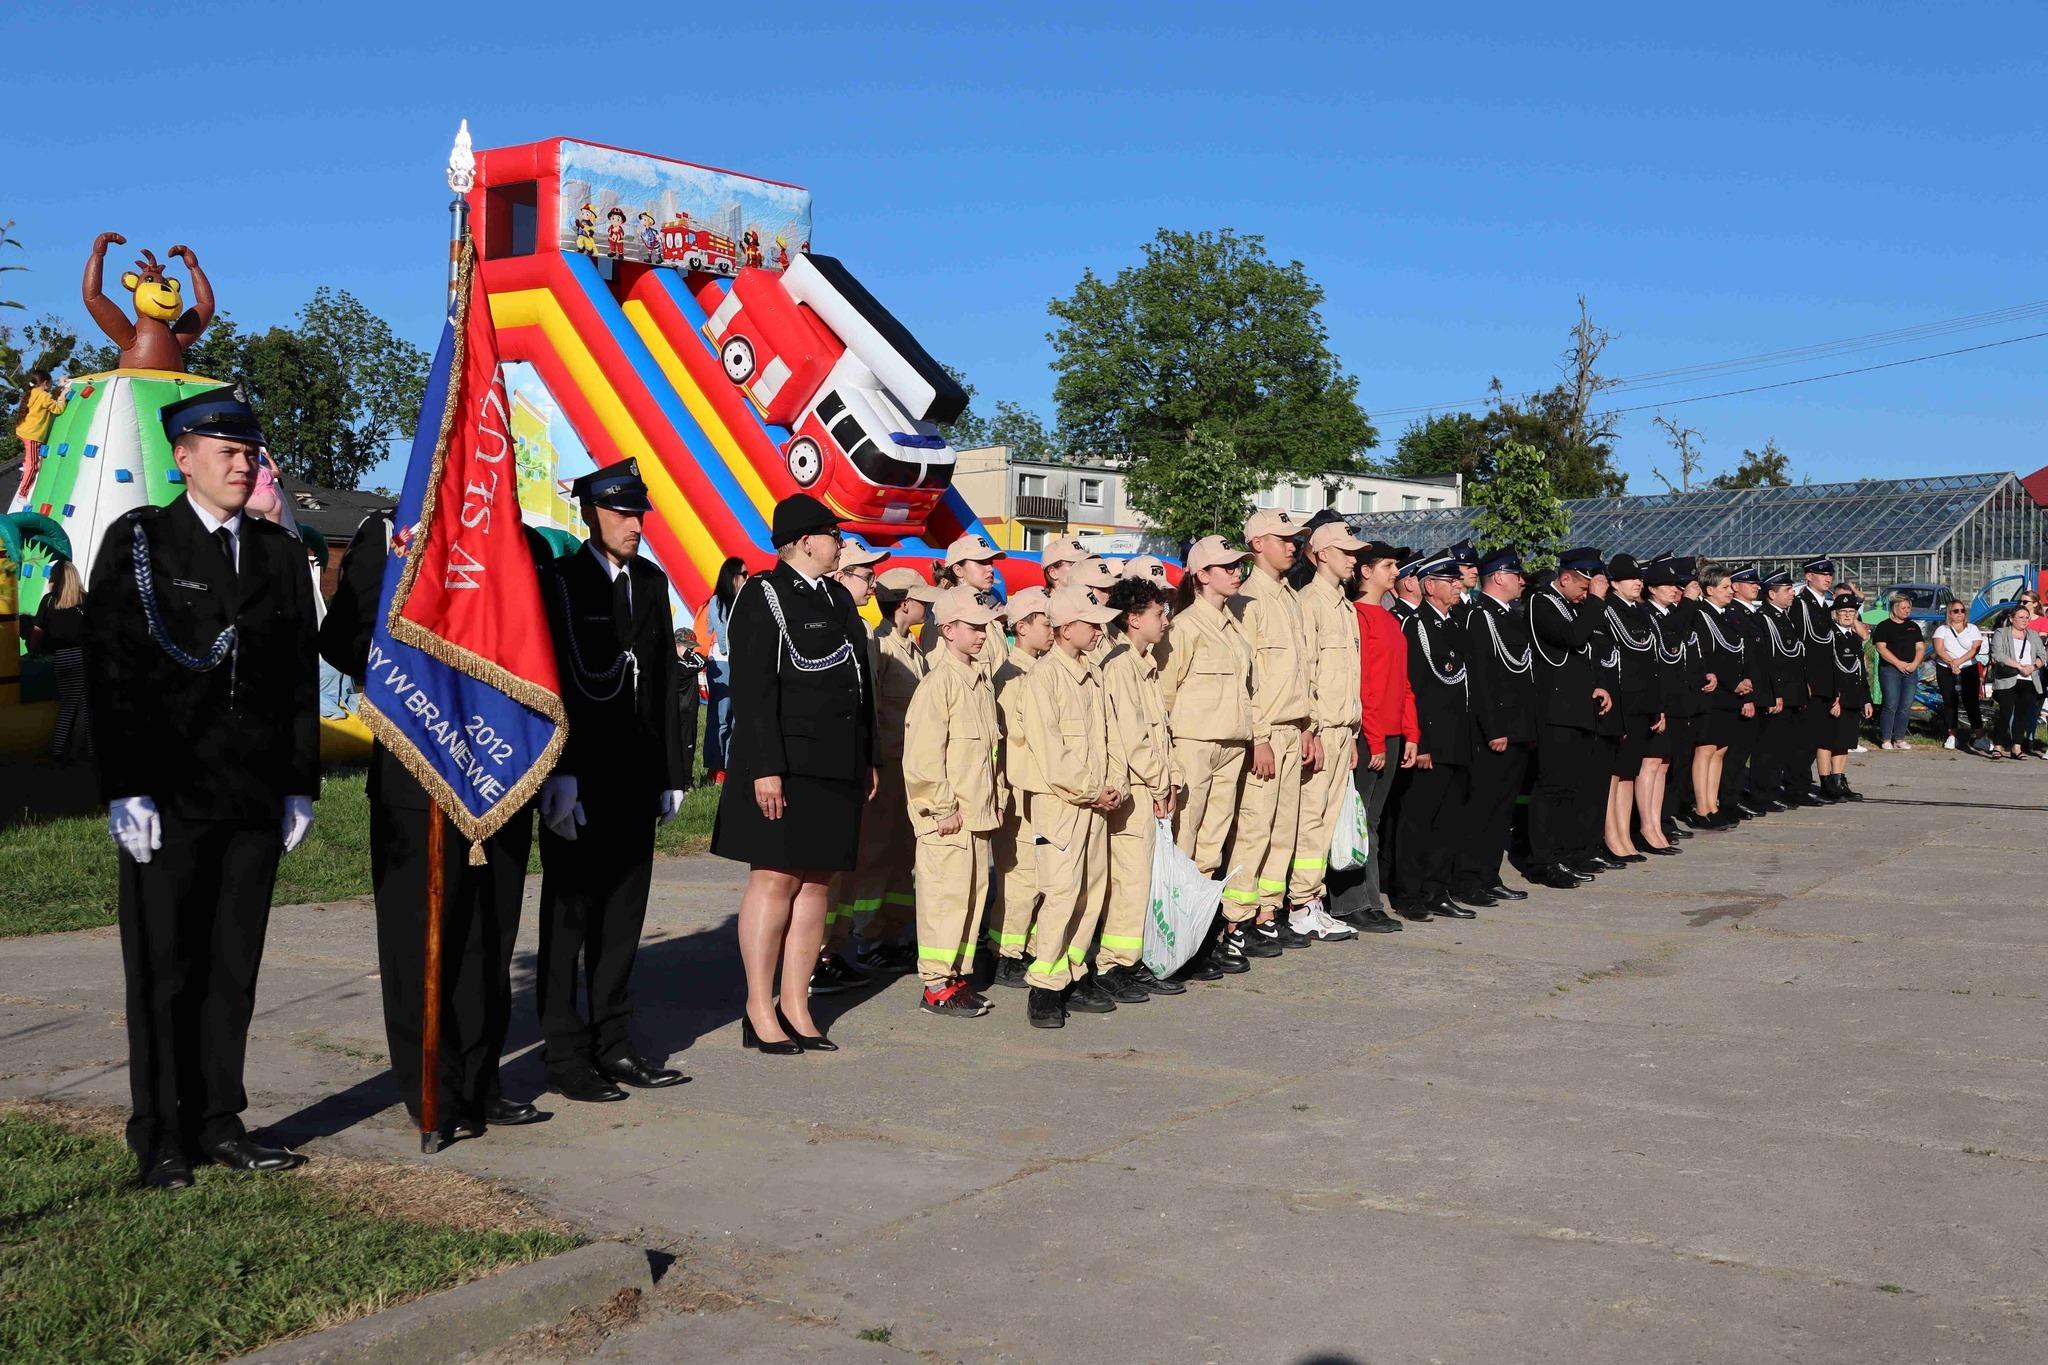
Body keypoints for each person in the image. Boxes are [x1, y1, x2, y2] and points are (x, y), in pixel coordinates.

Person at [86, 387, 319, 1189]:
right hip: (171, 796)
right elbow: (112, 668)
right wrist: (127, 787)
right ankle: (158, 1133)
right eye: (225, 451)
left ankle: (219, 1119)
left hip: (252, 795)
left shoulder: (279, 555)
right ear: (182, 458)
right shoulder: (144, 543)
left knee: (232, 967)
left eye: (249, 450)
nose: (242, 461)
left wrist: (299, 783)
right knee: (163, 966)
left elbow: (296, 680)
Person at [320, 511, 550, 1142]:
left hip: (499, 772)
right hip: (417, 773)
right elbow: (340, 639)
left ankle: (481, 1083)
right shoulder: (387, 534)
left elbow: (540, 653)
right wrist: (420, 657)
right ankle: (431, 1091)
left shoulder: (519, 542)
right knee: (419, 941)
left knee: (488, 939)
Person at [535, 461, 691, 1099]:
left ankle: (615, 1044)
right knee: (569, 919)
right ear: (590, 514)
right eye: (623, 513)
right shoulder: (563, 582)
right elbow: (550, 680)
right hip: (580, 774)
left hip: (634, 771)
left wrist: (672, 771)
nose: (635, 524)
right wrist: (560, 769)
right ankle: (565, 1053)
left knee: (624, 917)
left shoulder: (651, 583)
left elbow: (660, 682)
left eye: (639, 514)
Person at [713, 494, 876, 1054]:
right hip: (785, 762)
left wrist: (868, 755)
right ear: (807, 540)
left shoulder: (836, 596)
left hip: (836, 762)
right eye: (835, 535)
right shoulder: (764, 592)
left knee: (817, 884)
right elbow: (755, 688)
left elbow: (861, 682)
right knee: (776, 879)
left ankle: (797, 1005)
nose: (841, 545)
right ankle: (759, 1008)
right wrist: (765, 767)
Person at [1017, 586, 1125, 1027]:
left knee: (1091, 892)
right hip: (1063, 804)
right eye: (1091, 622)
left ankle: (1075, 973)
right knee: (1060, 894)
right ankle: (1044, 986)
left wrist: (1115, 784)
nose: (1100, 629)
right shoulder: (1044, 678)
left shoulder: (1093, 673)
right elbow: (1050, 751)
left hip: (1097, 802)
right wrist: (1090, 789)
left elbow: (1110, 736)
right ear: (1065, 629)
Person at [901, 585, 1006, 1018]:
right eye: (974, 627)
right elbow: (924, 757)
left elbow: (988, 753)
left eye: (985, 627)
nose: (983, 635)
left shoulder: (978, 681)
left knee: (970, 899)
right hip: (949, 818)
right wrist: (940, 808)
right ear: (947, 630)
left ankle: (956, 977)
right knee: (944, 900)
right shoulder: (939, 683)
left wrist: (994, 799)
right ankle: (935, 985)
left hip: (976, 814)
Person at [1157, 536, 1254, 976]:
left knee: (1212, 845)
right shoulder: (1184, 627)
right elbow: (1165, 696)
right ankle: (1173, 938)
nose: (1237, 573)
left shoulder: (1232, 624)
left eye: (1239, 566)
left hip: (1231, 743)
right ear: (1202, 576)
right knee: (1185, 840)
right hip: (1194, 744)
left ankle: (1198, 936)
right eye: (1227, 566)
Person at [836, 566, 938, 980]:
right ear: (905, 604)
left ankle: (894, 930)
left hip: (908, 771)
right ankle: (871, 935)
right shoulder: (880, 646)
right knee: (876, 857)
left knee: (901, 857)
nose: (927, 606)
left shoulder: (911, 650)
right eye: (921, 600)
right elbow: (873, 712)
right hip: (888, 767)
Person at [1227, 508, 1315, 951]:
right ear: (1257, 544)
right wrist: (1258, 736)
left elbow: (1303, 671)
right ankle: (1236, 922)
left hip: (1291, 729)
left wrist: (1307, 725)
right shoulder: (1246, 600)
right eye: (1283, 538)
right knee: (1255, 828)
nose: (1292, 545)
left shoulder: (1291, 596)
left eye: (1295, 538)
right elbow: (1246, 678)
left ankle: (1267, 911)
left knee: (1283, 828)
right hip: (1264, 733)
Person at [1096, 576, 1188, 996]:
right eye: (1157, 613)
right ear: (1133, 619)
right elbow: (1133, 737)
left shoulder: (1142, 663)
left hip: (1147, 782)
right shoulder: (1121, 666)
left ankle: (1129, 960)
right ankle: (1114, 964)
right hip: (1133, 787)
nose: (1165, 620)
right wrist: (1157, 782)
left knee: (1140, 879)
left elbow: (1158, 732)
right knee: (1131, 880)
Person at [1328, 541, 1417, 930]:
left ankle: (1369, 899)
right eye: (1388, 564)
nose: (1395, 571)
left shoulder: (1389, 617)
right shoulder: (1357, 616)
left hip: (1392, 734)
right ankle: (1349, 903)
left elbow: (1402, 681)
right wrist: (1376, 740)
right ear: (1365, 571)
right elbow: (1363, 684)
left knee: (1373, 820)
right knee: (1356, 819)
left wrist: (1410, 733)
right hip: (1369, 736)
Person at [1288, 520, 1366, 940]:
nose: (1354, 558)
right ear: (1321, 555)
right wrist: (1311, 729)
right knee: (1311, 819)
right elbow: (1307, 673)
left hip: (1342, 729)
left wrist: (1352, 733)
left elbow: (1348, 675)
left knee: (1329, 816)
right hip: (1320, 729)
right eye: (1346, 551)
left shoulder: (1344, 604)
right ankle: (1301, 904)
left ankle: (1312, 900)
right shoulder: (1309, 603)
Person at [1453, 546, 1540, 895]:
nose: (1522, 582)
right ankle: (1470, 877)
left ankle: (1488, 875)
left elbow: (1523, 674)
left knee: (1501, 808)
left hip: (1517, 728)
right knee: (1483, 807)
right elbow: (1483, 678)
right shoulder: (1481, 617)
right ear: (1500, 578)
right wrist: (1495, 728)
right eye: (1516, 575)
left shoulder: (1507, 615)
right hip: (1497, 731)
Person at [1392, 554, 1474, 920]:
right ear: (1429, 585)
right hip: (1431, 741)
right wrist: (1420, 742)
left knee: (1448, 822)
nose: (1458, 585)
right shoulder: (1415, 626)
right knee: (1417, 821)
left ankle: (1436, 888)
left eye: (1458, 579)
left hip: (1458, 738)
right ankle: (1409, 893)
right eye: (1449, 579)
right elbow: (1414, 689)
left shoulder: (1454, 623)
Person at [1527, 547, 1614, 883]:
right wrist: (1595, 600)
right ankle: (1543, 860)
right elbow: (1574, 638)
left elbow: (1585, 654)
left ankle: (1566, 853)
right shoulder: (1542, 602)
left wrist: (1598, 685)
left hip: (1578, 708)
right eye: (1582, 588)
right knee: (1552, 787)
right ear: (1565, 578)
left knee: (1572, 788)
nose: (1585, 595)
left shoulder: (1571, 605)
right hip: (1555, 711)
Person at [988, 586, 1055, 988]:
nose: (1051, 631)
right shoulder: (1010, 677)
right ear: (1023, 626)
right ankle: (1005, 952)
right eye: (1045, 623)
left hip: (1040, 790)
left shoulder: (1038, 671)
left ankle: (1026, 944)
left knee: (1039, 873)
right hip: (1018, 791)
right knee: (1020, 875)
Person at [1599, 555, 1672, 858]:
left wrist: (1658, 707)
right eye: (1629, 578)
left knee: (1629, 773)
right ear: (1614, 583)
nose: (1637, 582)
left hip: (1643, 703)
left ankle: (1625, 836)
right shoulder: (1609, 611)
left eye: (1638, 578)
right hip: (1624, 703)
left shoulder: (1639, 612)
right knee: (1615, 774)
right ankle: (1612, 837)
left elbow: (1652, 662)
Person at [1690, 566, 1752, 829]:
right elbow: (1710, 656)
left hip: (1731, 693)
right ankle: (1702, 806)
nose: (1730, 591)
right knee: (1705, 749)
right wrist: (1733, 682)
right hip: (1715, 693)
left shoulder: (1728, 616)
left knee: (1720, 749)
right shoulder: (1701, 615)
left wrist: (1746, 680)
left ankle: (1713, 804)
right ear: (1709, 590)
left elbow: (1738, 650)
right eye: (1725, 587)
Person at [1756, 570, 1816, 807]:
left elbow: (1795, 655)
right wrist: (1776, 693)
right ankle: (1765, 793)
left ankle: (1795, 789)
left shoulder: (1785, 617)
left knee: (1795, 746)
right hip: (1780, 692)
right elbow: (1770, 660)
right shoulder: (1765, 618)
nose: (1793, 593)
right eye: (1787, 590)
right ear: (1772, 594)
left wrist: (1803, 687)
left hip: (1795, 692)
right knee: (1770, 748)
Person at [29, 556, 93, 762]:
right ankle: (83, 751)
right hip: (83, 658)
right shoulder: (86, 600)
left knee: (69, 705)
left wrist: (32, 652)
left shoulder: (49, 601)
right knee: (85, 706)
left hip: (62, 658)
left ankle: (60, 750)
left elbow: (37, 632)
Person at [1721, 565, 1772, 818]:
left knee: (1748, 750)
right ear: (1735, 586)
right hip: (1744, 693)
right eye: (1749, 583)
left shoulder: (1752, 614)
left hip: (1758, 691)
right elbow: (1740, 660)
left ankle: (1740, 794)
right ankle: (1730, 798)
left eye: (1757, 583)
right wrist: (1748, 697)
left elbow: (1762, 660)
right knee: (1737, 754)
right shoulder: (1733, 614)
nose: (1756, 586)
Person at [696, 556, 749, 784]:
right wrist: (731, 650)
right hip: (722, 663)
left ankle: (730, 766)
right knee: (721, 717)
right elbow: (722, 630)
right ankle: (715, 768)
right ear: (733, 576)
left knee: (736, 718)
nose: (747, 578)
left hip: (740, 664)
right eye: (744, 574)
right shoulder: (718, 601)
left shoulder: (745, 601)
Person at [1818, 596, 1873, 799]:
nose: (1848, 615)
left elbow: (1860, 672)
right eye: (1843, 611)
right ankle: (1826, 782)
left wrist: (1866, 698)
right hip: (1835, 698)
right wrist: (1835, 698)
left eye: (1852, 612)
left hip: (1853, 696)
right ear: (1836, 614)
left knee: (1844, 741)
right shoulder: (1830, 637)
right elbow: (1826, 670)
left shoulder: (1853, 638)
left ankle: (1839, 779)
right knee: (1827, 741)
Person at [1989, 603, 2045, 760]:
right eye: (2021, 617)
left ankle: (2016, 747)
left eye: (2027, 618)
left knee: (2022, 715)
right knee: (2005, 713)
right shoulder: (2001, 632)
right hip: (2008, 678)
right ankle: (1998, 745)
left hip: (2029, 679)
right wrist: (2019, 666)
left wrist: (2033, 667)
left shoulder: (2033, 635)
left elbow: (2042, 655)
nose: (2024, 620)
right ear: (2012, 618)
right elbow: (1997, 654)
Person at [1871, 594, 1926, 751]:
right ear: (1894, 608)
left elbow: (1920, 647)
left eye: (1908, 607)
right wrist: (1898, 663)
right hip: (1890, 669)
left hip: (1910, 670)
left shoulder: (1913, 626)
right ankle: (1886, 738)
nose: (1907, 611)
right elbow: (1881, 648)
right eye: (1903, 608)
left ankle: (1899, 738)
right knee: (1891, 704)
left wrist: (1915, 663)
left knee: (1905, 705)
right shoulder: (1884, 626)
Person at [1931, 602, 1987, 753]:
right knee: (1950, 701)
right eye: (1956, 611)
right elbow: (1939, 649)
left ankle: (1980, 736)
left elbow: (1975, 648)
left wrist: (1958, 662)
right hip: (1946, 668)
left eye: (1962, 610)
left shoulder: (1972, 629)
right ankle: (1952, 735)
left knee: (1971, 701)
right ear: (1949, 613)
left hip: (1968, 668)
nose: (1960, 613)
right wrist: (1951, 663)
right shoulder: (1942, 630)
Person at [10, 369, 65, 509]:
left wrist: (59, 388)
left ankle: (26, 465)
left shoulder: (33, 393)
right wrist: (63, 395)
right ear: (45, 383)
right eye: (51, 384)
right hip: (33, 435)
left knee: (32, 461)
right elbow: (57, 409)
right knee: (34, 466)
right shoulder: (44, 396)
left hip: (24, 431)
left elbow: (48, 400)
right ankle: (22, 494)